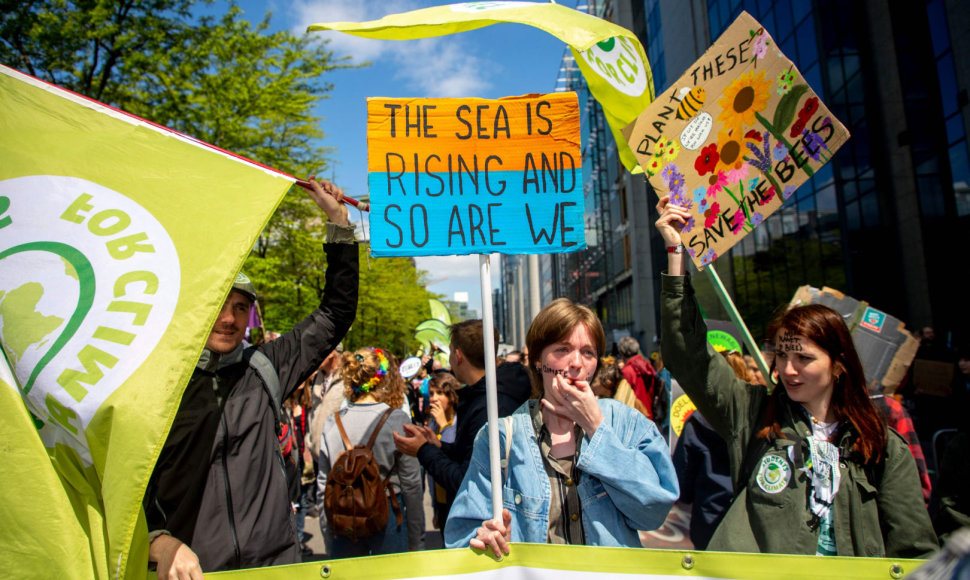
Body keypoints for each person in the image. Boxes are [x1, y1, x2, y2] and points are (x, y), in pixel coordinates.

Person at [656, 195, 937, 558]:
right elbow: (687, 356)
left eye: (804, 357)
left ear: (838, 364)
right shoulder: (754, 413)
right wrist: (677, 253)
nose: (788, 369)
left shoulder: (880, 443)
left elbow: (914, 550)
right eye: (783, 354)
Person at [143, 178, 358, 578]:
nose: (228, 319)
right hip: (193, 571)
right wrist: (158, 540)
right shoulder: (158, 383)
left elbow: (336, 312)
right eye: (218, 306)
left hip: (275, 565)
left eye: (240, 308)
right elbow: (125, 482)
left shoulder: (266, 366)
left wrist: (339, 224)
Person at [444, 299, 678, 556]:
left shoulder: (626, 423)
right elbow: (460, 537)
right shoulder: (500, 437)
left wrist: (596, 428)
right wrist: (487, 539)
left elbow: (654, 511)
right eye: (563, 349)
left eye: (588, 352)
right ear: (537, 360)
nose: (576, 363)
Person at [393, 320, 531, 526]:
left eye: (449, 352)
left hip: (488, 526)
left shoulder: (490, 405)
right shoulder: (486, 394)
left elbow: (467, 482)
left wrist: (423, 450)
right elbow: (473, 455)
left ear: (458, 356)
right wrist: (439, 446)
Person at [316, 347, 423, 558]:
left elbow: (323, 486)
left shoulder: (332, 423)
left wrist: (329, 538)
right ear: (382, 379)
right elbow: (412, 485)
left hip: (345, 515)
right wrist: (416, 539)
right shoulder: (397, 421)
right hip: (389, 513)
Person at [426, 371, 460, 531]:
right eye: (431, 393)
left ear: (451, 396)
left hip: (455, 499)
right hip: (440, 500)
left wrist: (444, 425)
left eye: (440, 393)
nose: (434, 398)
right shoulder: (434, 425)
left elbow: (451, 452)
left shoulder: (457, 422)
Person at [617, 335, 659, 420]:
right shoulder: (647, 365)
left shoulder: (627, 371)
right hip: (650, 414)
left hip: (635, 417)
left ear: (621, 352)